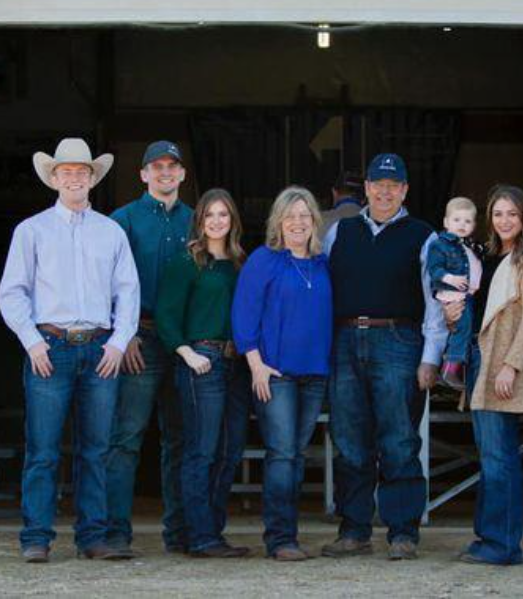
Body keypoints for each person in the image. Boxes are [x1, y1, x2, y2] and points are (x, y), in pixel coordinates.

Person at [0, 138, 139, 563]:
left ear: (92, 177)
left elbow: (128, 292)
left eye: (82, 171)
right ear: (54, 178)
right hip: (50, 346)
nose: (74, 178)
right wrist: (32, 340)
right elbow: (12, 293)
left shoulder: (111, 232)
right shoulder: (32, 230)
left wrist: (117, 341)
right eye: (67, 171)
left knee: (96, 449)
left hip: (99, 350)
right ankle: (36, 537)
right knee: (42, 449)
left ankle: (92, 537)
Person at [321, 153, 446, 561]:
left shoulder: (423, 236)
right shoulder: (340, 232)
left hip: (398, 339)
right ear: (367, 189)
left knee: (398, 439)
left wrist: (431, 357)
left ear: (405, 189)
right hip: (344, 340)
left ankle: (402, 531)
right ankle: (354, 529)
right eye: (378, 184)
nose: (385, 191)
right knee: (349, 441)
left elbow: (435, 303)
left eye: (394, 185)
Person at [443, 185, 523, 566]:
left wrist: (512, 365)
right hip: (478, 358)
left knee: (499, 456)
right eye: (499, 214)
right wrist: (451, 314)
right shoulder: (483, 256)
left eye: (512, 214)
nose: (505, 221)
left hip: (503, 364)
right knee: (490, 456)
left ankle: (502, 544)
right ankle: (488, 538)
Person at [232, 186, 333, 562]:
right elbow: (244, 315)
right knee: (282, 453)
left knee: (297, 454)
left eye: (305, 215)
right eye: (290, 216)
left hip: (315, 373)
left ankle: (287, 533)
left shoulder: (324, 263)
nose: (297, 222)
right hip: (276, 373)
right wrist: (256, 365)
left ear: (314, 222)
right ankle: (280, 539)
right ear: (278, 221)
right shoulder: (265, 260)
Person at [105, 141, 192, 556]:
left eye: (171, 167)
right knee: (126, 438)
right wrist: (124, 336)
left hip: (183, 345)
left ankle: (178, 534)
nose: (164, 173)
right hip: (138, 338)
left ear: (182, 174)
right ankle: (116, 533)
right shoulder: (121, 221)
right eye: (156, 167)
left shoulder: (197, 221)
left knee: (180, 440)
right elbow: (103, 283)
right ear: (143, 175)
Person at [155, 188, 251, 558]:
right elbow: (166, 314)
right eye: (209, 215)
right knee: (202, 451)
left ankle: (210, 530)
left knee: (230, 450)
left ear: (233, 220)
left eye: (223, 215)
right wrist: (186, 353)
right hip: (202, 360)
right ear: (199, 221)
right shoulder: (188, 262)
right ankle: (199, 536)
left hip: (237, 363)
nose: (216, 221)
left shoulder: (241, 263)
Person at [426, 196, 483, 390]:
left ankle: (456, 366)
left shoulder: (470, 246)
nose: (462, 225)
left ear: (474, 225)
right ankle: (450, 367)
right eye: (456, 220)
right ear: (446, 222)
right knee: (463, 328)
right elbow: (434, 269)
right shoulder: (440, 244)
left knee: (464, 330)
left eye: (467, 221)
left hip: (466, 294)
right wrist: (451, 279)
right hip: (452, 293)